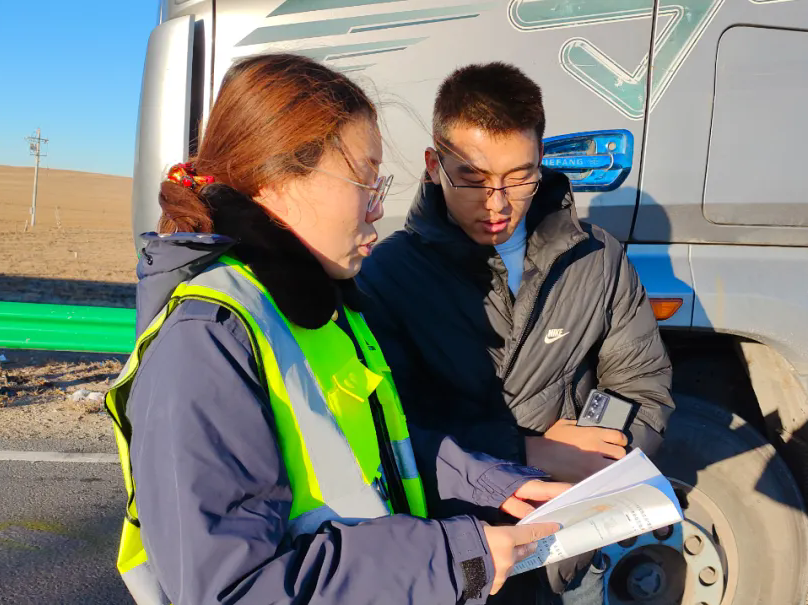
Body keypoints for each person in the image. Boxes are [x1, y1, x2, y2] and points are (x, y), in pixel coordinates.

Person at [103, 54, 568, 605]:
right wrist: (450, 558)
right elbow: (231, 590)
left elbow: (372, 451)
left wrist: (490, 482)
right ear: (278, 178)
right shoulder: (207, 340)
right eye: (365, 181)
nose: (376, 210)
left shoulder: (314, 307)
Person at [356, 62, 676, 603]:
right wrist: (527, 449)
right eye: (474, 179)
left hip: (567, 548)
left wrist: (604, 455)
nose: (498, 203)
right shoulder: (386, 276)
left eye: (520, 176)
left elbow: (642, 386)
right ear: (434, 165)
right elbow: (385, 430)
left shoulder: (596, 259)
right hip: (454, 557)